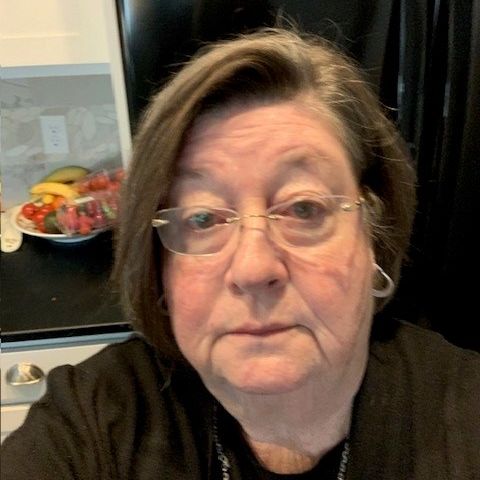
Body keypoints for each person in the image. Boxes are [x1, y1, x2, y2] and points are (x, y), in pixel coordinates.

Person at [2, 28, 479, 480]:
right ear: (159, 271)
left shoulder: (464, 415)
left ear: (373, 233)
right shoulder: (91, 421)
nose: (253, 268)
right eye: (202, 218)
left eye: (304, 208)